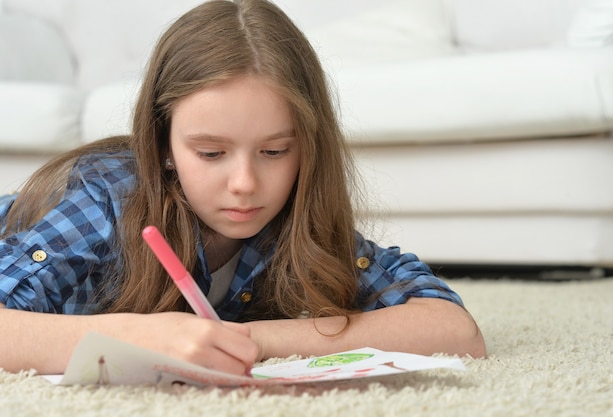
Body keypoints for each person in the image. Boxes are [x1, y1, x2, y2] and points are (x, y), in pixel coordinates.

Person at [0, 0, 485, 377]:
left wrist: (248, 338)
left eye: (275, 152)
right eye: (210, 154)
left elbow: (453, 329)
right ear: (162, 142)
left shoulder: (291, 218)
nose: (246, 185)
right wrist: (133, 337)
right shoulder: (107, 198)